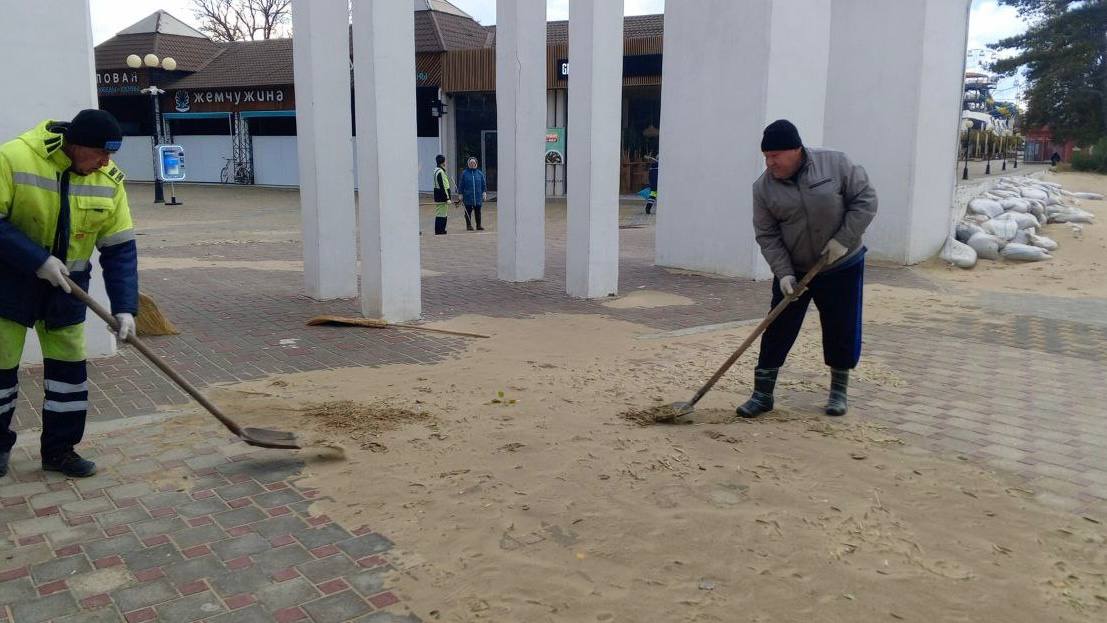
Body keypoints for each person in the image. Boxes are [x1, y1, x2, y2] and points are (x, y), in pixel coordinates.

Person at [0, 110, 138, 478]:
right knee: (0, 375)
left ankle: (60, 452)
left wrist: (126, 308)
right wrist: (37, 259)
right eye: (99, 154)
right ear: (75, 146)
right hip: (8, 287)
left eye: (111, 155)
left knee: (69, 380)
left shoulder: (109, 181)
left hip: (67, 294)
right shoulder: (14, 158)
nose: (106, 163)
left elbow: (120, 249)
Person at [737, 119, 877, 419]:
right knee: (777, 327)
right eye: (766, 156)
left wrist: (843, 240)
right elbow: (767, 235)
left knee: (842, 326)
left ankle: (838, 391)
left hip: (841, 263)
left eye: (775, 156)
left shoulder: (835, 164)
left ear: (796, 150)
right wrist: (784, 273)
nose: (770, 162)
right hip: (796, 268)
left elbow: (865, 200)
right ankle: (762, 394)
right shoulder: (763, 188)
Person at [458, 157, 487, 231]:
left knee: (478, 212)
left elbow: (483, 184)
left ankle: (478, 225)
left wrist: (484, 192)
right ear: (468, 164)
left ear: (476, 163)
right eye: (471, 163)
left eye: (473, 163)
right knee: (468, 212)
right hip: (468, 197)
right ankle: (469, 225)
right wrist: (460, 194)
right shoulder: (464, 173)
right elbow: (461, 184)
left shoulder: (479, 173)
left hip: (477, 197)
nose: (472, 164)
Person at [432, 154, 458, 235]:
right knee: (442, 215)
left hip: (438, 195)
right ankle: (440, 231)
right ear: (443, 162)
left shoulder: (436, 170)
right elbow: (442, 186)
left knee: (440, 214)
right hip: (442, 196)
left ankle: (440, 230)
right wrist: (447, 198)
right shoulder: (440, 172)